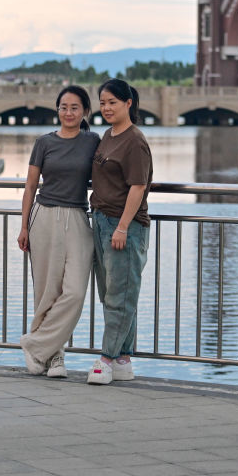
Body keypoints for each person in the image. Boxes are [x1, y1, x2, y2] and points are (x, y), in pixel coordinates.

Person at [17, 85, 100, 378]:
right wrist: (24, 224)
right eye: (63, 107)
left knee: (75, 291)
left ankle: (34, 344)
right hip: (44, 217)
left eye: (74, 107)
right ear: (57, 110)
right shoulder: (44, 143)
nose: (68, 112)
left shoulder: (93, 141)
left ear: (85, 112)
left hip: (78, 217)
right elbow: (30, 186)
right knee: (47, 291)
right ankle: (54, 358)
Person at [87, 79, 153, 385]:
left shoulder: (134, 141)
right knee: (112, 293)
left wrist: (123, 227)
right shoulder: (108, 135)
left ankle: (106, 359)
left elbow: (138, 187)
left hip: (123, 225)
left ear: (129, 103)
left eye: (112, 102)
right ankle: (124, 358)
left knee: (121, 295)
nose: (106, 108)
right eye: (102, 102)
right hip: (101, 220)